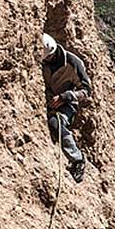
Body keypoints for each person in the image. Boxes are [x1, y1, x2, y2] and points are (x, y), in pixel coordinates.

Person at [40, 32, 92, 181]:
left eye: (48, 58)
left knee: (55, 124)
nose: (47, 61)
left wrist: (65, 97)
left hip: (67, 105)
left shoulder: (73, 63)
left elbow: (86, 91)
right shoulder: (43, 61)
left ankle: (77, 159)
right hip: (47, 100)